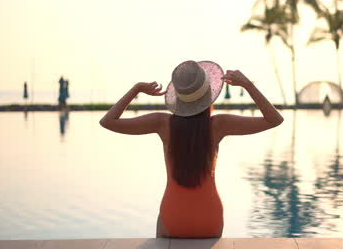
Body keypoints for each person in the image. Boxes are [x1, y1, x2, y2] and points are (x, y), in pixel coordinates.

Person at [99, 60, 283, 238]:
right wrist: (248, 85)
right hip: (209, 220)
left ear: (177, 97)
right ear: (208, 95)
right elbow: (274, 119)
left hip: (173, 219)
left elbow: (108, 122)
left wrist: (136, 89)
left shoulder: (162, 123)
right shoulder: (219, 125)